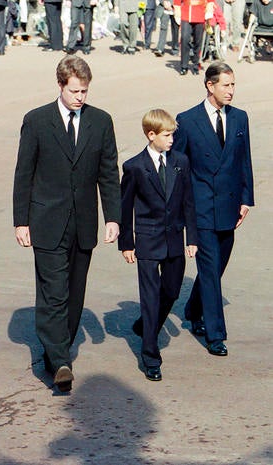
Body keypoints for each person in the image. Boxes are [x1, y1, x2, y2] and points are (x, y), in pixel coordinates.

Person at [13, 56, 120, 392]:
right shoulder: (37, 121)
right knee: (52, 293)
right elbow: (24, 173)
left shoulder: (101, 122)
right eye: (74, 90)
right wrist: (21, 221)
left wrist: (113, 217)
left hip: (84, 223)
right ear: (60, 85)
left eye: (84, 91)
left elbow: (108, 174)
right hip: (46, 221)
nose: (80, 97)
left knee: (74, 295)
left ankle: (56, 349)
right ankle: (60, 360)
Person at [173, 62, 254, 356]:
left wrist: (246, 199)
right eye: (226, 85)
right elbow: (178, 166)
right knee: (208, 269)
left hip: (230, 206)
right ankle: (215, 333)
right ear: (210, 86)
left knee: (217, 267)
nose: (231, 91)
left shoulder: (240, 118)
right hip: (201, 207)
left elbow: (244, 161)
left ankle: (194, 309)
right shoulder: (188, 120)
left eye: (233, 85)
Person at [119, 109, 198, 382]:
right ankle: (150, 355)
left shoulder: (181, 162)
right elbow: (125, 206)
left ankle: (145, 326)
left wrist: (193, 239)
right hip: (148, 241)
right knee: (150, 298)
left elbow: (189, 202)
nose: (172, 139)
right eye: (167, 135)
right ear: (151, 135)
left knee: (172, 291)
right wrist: (126, 244)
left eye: (173, 134)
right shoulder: (134, 167)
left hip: (176, 240)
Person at [174, 0, 215, 75]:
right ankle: (184, 66)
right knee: (184, 39)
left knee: (198, 41)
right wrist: (177, 10)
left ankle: (196, 64)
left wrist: (209, 9)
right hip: (186, 13)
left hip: (200, 13)